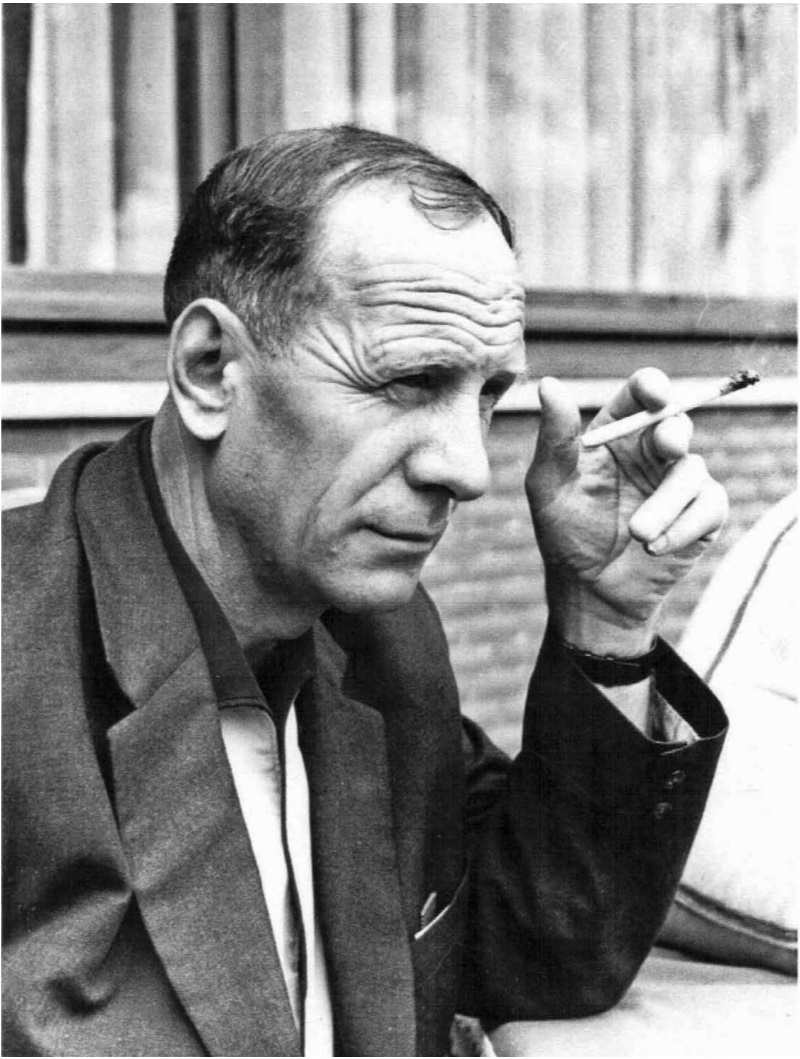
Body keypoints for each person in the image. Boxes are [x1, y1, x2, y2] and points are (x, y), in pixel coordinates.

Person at [2, 126, 728, 1058]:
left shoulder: (384, 638)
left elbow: (541, 950)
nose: (468, 469)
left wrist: (606, 621)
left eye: (486, 395)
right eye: (410, 381)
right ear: (210, 370)